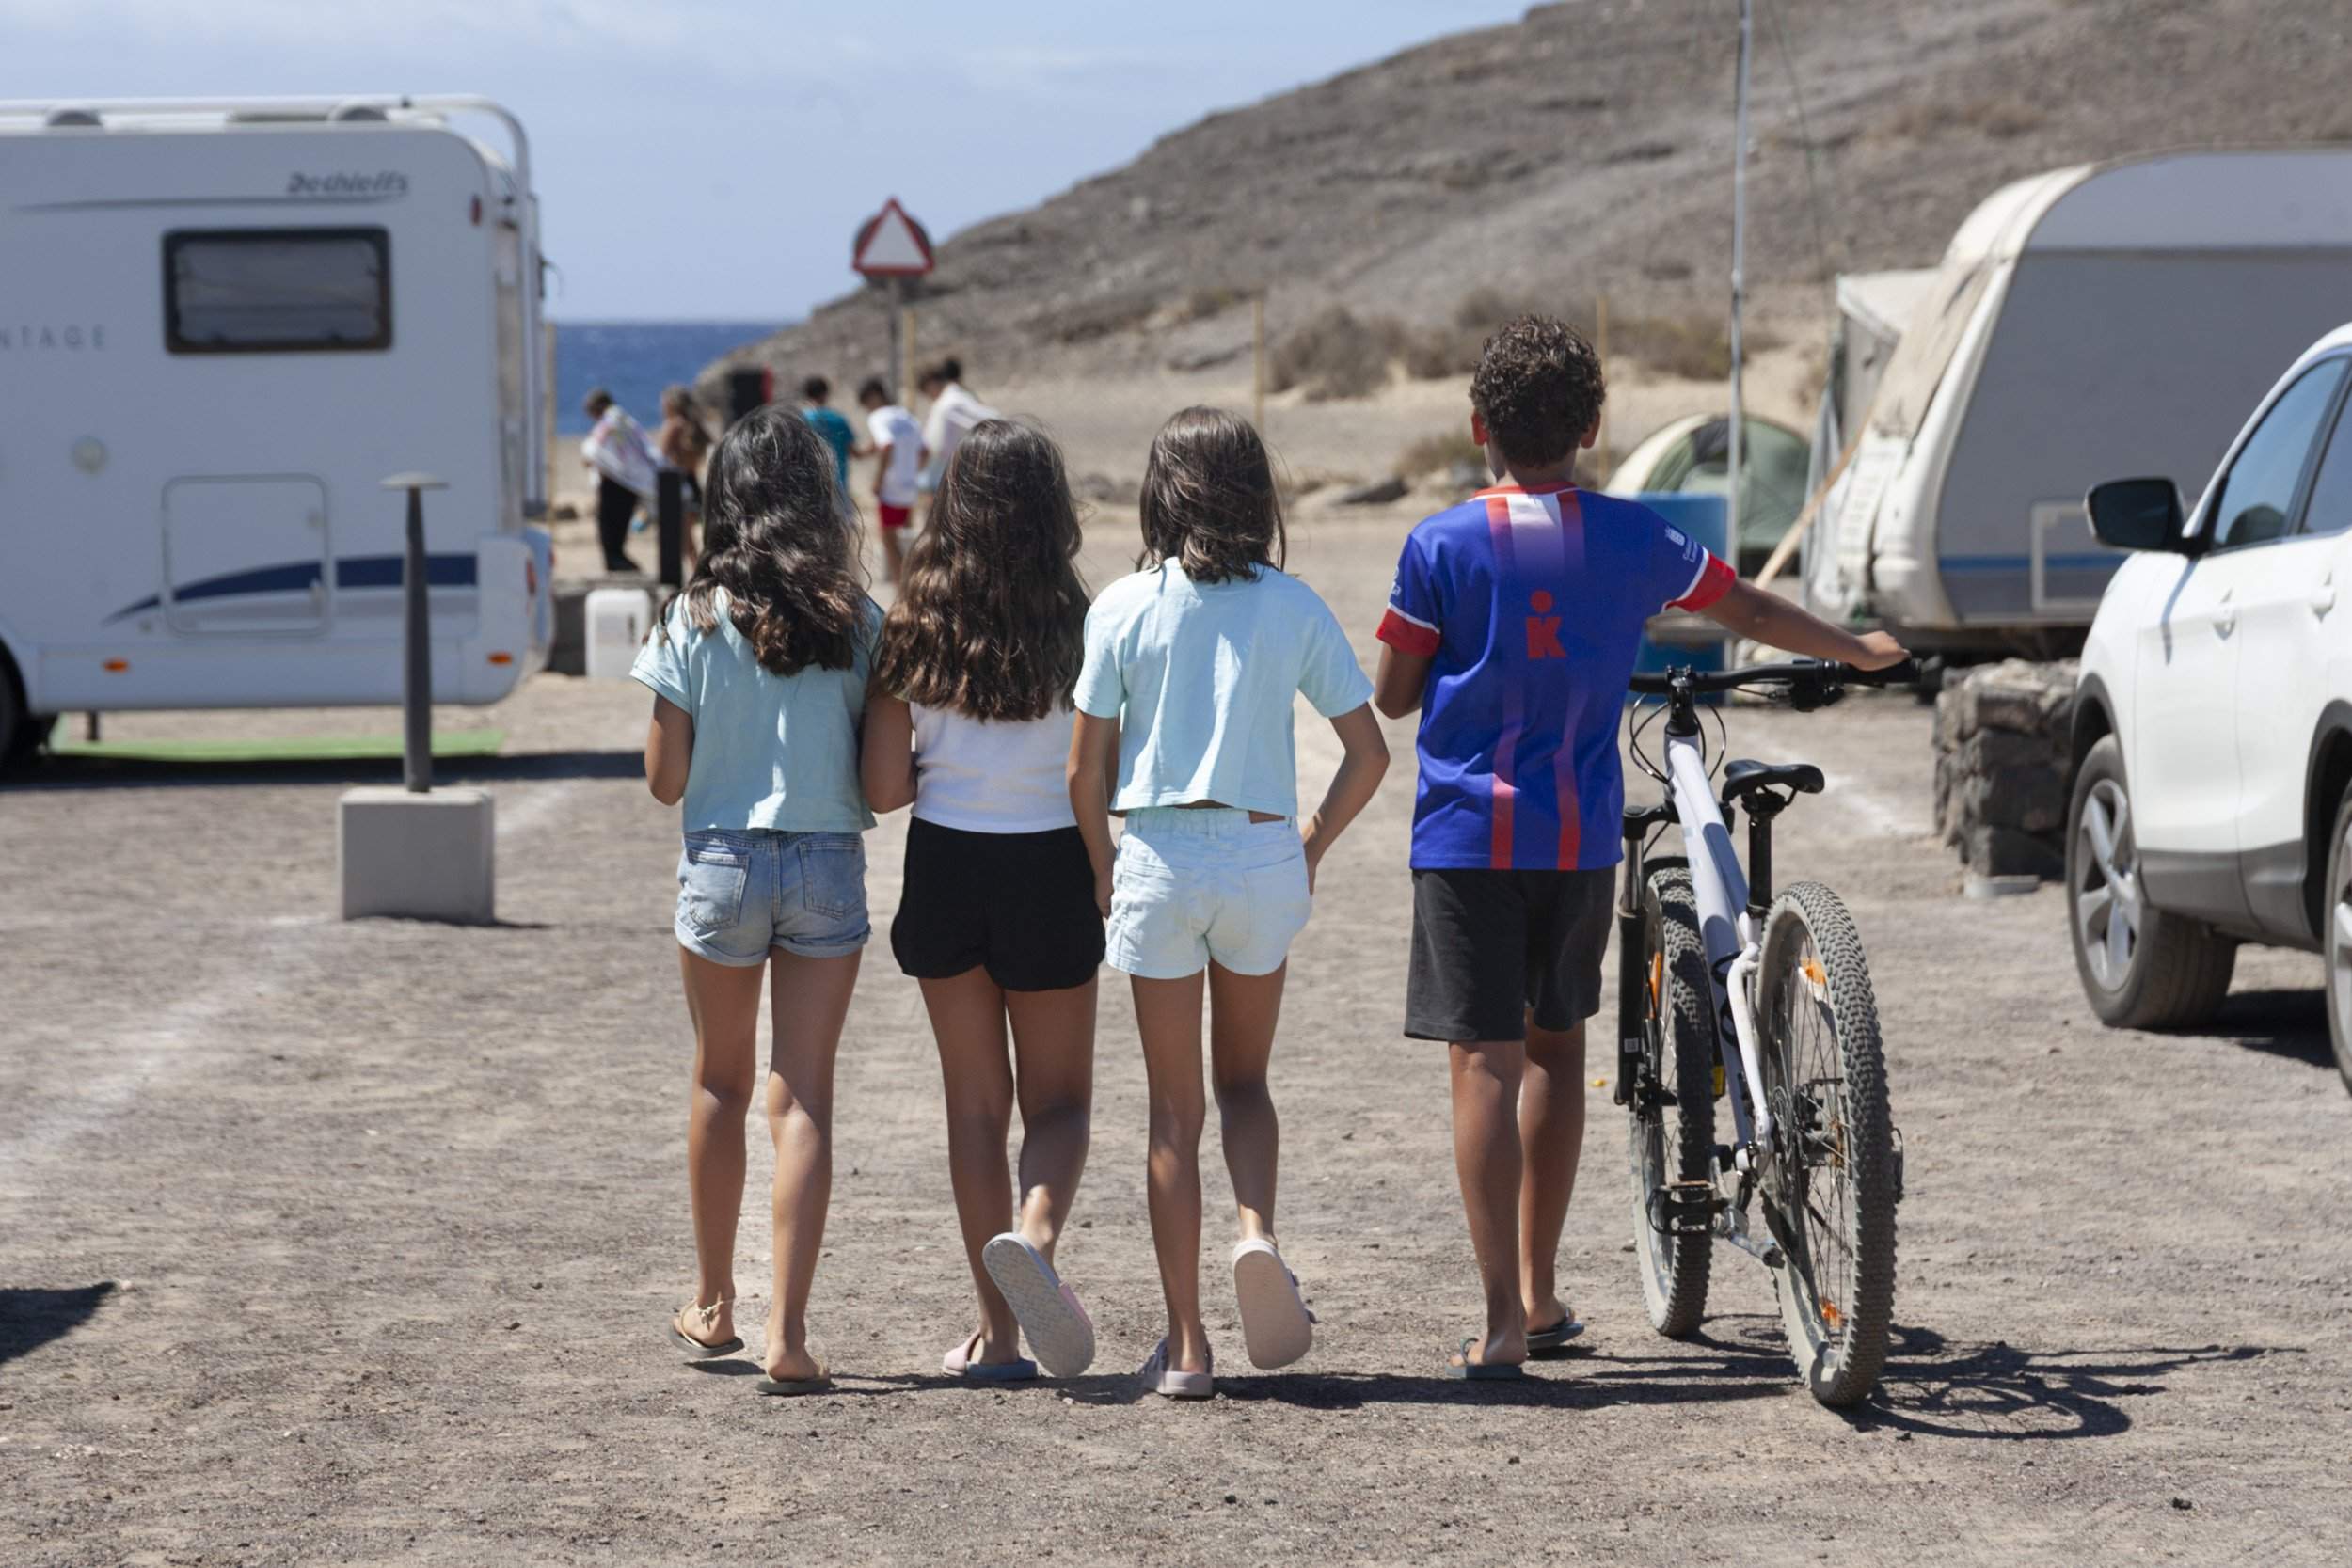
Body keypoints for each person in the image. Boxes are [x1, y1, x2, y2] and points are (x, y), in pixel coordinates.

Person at [1370, 314, 1906, 1380]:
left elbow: (1390, 693)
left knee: (1481, 1061)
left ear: (1478, 425)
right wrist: (1851, 646)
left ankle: (1500, 1322)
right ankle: (1539, 1286)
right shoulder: (1632, 536)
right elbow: (1739, 599)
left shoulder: (1438, 544)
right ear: (1595, 427)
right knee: (1557, 1052)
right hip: (1578, 833)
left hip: (1469, 838)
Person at [1067, 406, 1390, 1400]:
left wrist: (1099, 865)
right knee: (1245, 1083)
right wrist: (1312, 842)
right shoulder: (1292, 606)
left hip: (1157, 853)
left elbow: (1085, 774)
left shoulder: (1120, 607)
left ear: (1161, 494)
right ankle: (1256, 1233)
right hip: (1259, 851)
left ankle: (1190, 1346)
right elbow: (1368, 753)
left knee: (1173, 1112)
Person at [630, 404, 882, 1398]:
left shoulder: (688, 616)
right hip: (825, 856)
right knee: (804, 1091)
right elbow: (879, 764)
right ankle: (789, 1328)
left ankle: (713, 1300)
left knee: (718, 1084)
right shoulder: (858, 618)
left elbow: (661, 778)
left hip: (723, 859)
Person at [861, 419, 1103, 1383]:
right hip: (1051, 860)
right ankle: (1034, 1241)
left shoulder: (912, 624)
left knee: (974, 1109)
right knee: (1061, 1102)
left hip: (948, 863)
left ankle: (998, 1337)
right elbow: (1106, 769)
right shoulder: (1086, 623)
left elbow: (884, 788)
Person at [581, 388, 659, 573]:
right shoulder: (625, 421)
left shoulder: (611, 422)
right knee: (618, 531)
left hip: (616, 484)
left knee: (610, 534)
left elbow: (593, 451)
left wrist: (593, 459)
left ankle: (622, 567)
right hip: (630, 484)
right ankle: (620, 565)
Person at [856, 376, 924, 584]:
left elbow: (886, 445)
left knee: (890, 543)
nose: (867, 409)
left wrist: (878, 480)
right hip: (910, 489)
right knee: (908, 542)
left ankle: (903, 593)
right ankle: (917, 585)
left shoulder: (878, 416)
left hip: (891, 490)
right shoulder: (905, 415)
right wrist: (912, 472)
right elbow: (925, 450)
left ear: (873, 397)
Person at [915, 357, 997, 510]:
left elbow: (993, 422)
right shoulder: (952, 399)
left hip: (958, 477)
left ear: (931, 383)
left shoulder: (949, 403)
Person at [657, 385, 713, 571]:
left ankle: (699, 575)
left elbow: (661, 457)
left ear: (671, 404)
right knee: (692, 541)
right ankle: (701, 573)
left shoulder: (674, 425)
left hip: (677, 485)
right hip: (693, 483)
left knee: (683, 542)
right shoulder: (695, 425)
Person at [799, 376, 857, 514]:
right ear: (826, 394)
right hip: (838, 484)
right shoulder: (838, 419)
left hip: (809, 486)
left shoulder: (800, 420)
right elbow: (854, 452)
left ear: (806, 394)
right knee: (842, 531)